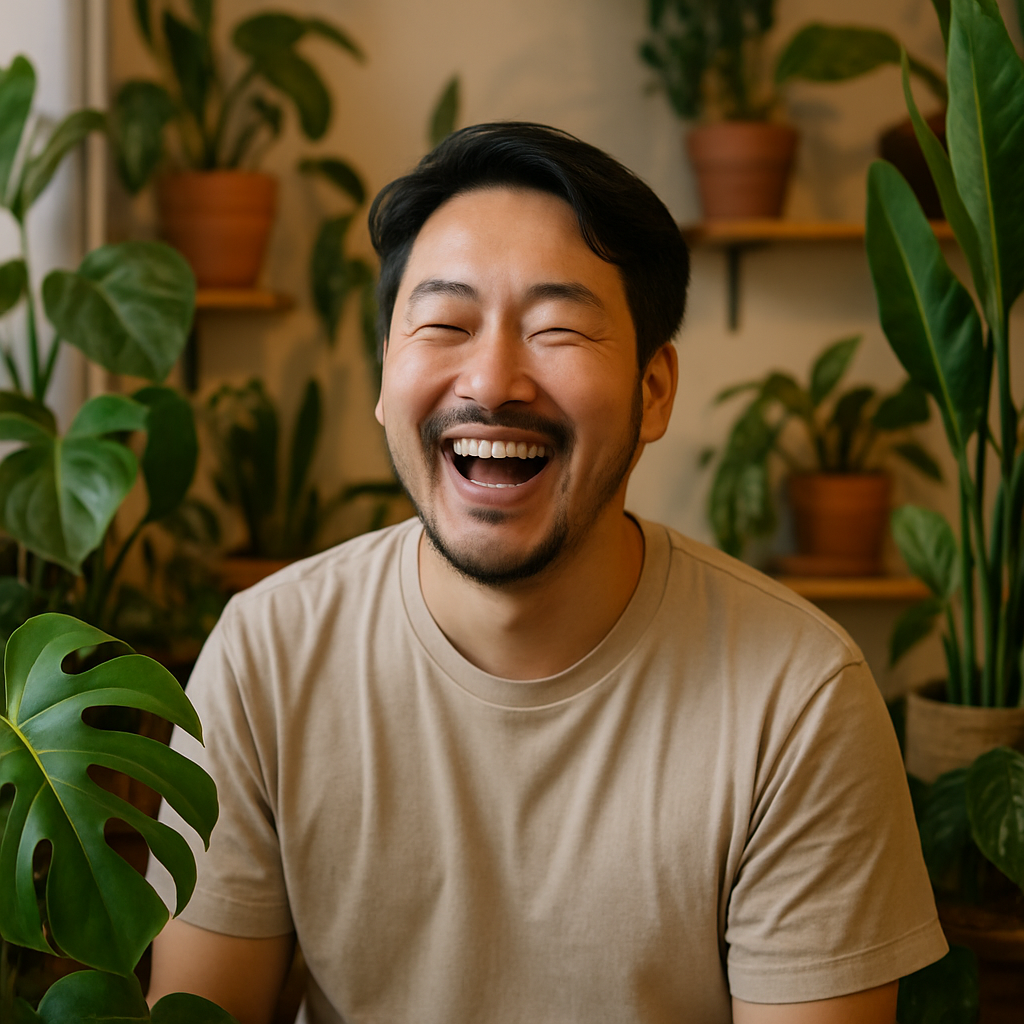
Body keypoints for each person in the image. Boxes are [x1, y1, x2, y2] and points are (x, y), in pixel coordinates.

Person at [146, 123, 947, 1024]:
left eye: (557, 327)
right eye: (445, 323)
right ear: (383, 375)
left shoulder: (796, 699)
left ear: (654, 392)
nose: (492, 379)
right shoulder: (268, 657)